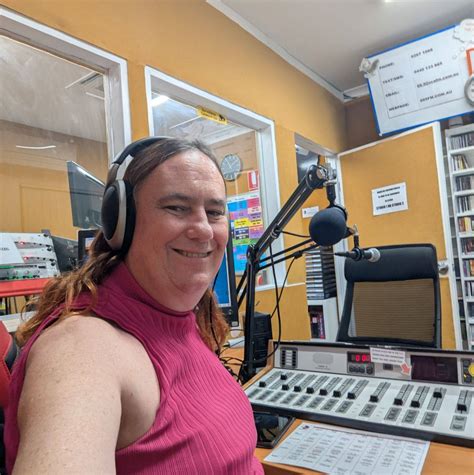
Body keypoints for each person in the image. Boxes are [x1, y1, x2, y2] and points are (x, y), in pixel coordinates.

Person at [5, 137, 264, 474]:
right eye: (177, 207)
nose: (203, 230)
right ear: (120, 222)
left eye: (214, 212)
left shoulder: (182, 320)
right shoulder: (81, 348)